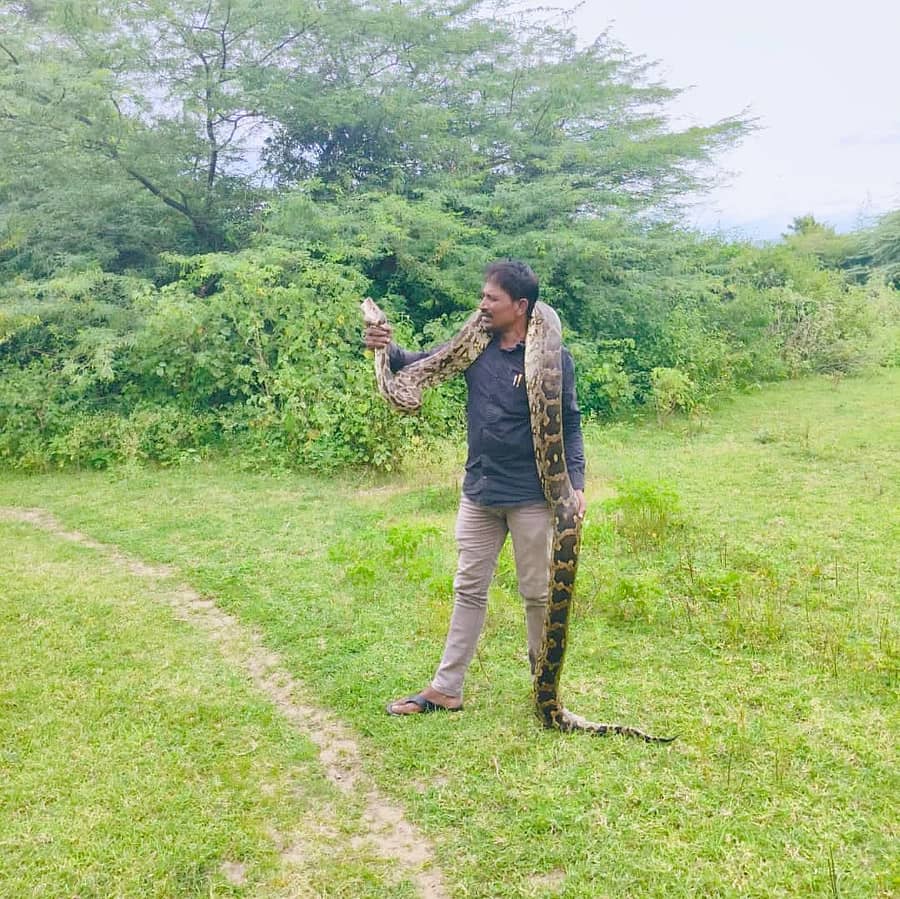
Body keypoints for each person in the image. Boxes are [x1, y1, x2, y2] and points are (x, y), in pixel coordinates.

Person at [363, 260, 586, 715]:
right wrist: (385, 347)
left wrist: (576, 484)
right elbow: (421, 362)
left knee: (537, 593)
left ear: (520, 307)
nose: (482, 305)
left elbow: (570, 421)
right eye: (483, 296)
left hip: (531, 494)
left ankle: (543, 686)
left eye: (492, 299)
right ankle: (446, 688)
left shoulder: (551, 358)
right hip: (480, 489)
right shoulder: (474, 346)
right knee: (468, 588)